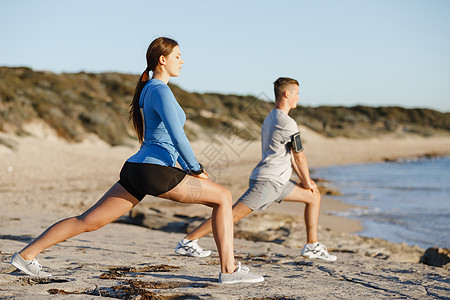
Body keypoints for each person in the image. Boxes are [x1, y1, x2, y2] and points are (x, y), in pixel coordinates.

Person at [10, 37, 263, 284]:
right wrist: (195, 168)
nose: (182, 61)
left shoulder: (148, 89)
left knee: (87, 221)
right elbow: (178, 135)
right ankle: (229, 269)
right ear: (162, 60)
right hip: (153, 170)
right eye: (177, 56)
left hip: (135, 169)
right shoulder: (160, 90)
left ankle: (25, 256)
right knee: (224, 197)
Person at [175, 77, 337, 262]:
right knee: (231, 214)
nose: (298, 98)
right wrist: (307, 181)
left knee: (313, 196)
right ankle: (188, 241)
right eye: (297, 94)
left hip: (279, 181)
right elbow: (298, 156)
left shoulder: (270, 117)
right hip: (268, 183)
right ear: (287, 94)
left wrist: (305, 183)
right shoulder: (287, 123)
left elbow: (289, 155)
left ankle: (312, 246)